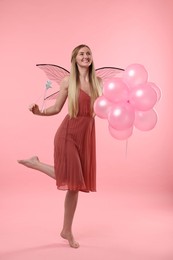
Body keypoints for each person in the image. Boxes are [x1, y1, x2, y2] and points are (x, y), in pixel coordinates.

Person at [18, 44, 102, 248]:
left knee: (74, 186)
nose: (86, 56)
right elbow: (56, 108)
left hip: (87, 135)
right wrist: (38, 112)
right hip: (68, 133)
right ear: (74, 59)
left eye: (88, 53)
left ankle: (65, 230)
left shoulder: (98, 82)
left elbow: (104, 108)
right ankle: (68, 231)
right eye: (81, 54)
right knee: (73, 181)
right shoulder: (68, 81)